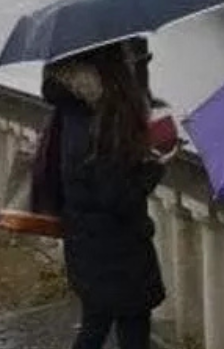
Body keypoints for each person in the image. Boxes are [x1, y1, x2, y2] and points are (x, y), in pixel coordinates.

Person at [46, 42, 169, 349]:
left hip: (86, 240)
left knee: (95, 323)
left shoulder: (72, 106)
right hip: (117, 249)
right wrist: (153, 168)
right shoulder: (102, 120)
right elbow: (118, 197)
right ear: (110, 62)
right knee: (131, 328)